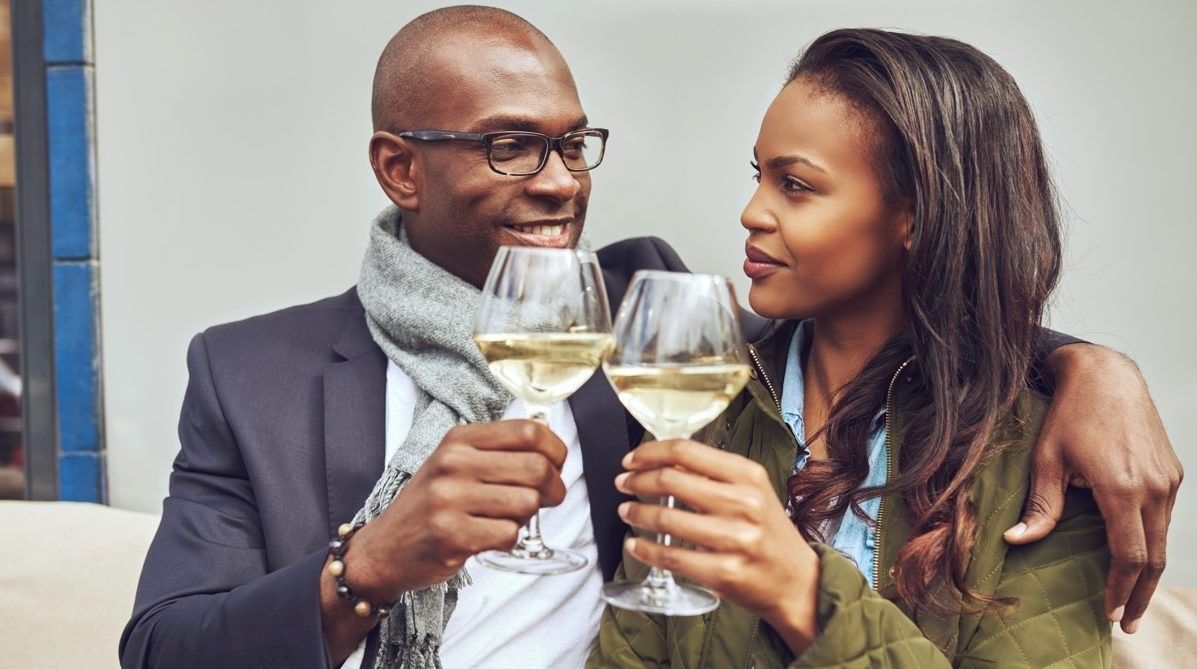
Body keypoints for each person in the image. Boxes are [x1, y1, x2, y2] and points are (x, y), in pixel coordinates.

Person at [120, 8, 1179, 669]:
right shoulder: (249, 372)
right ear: (401, 168)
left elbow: (942, 312)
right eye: (507, 147)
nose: (560, 179)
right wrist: (368, 565)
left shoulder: (659, 329)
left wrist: (1088, 364)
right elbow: (164, 652)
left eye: (573, 143)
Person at [589, 28, 1163, 668]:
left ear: (917, 215)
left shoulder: (1045, 457)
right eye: (759, 175)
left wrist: (803, 595)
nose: (752, 211)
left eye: (797, 184)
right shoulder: (706, 405)